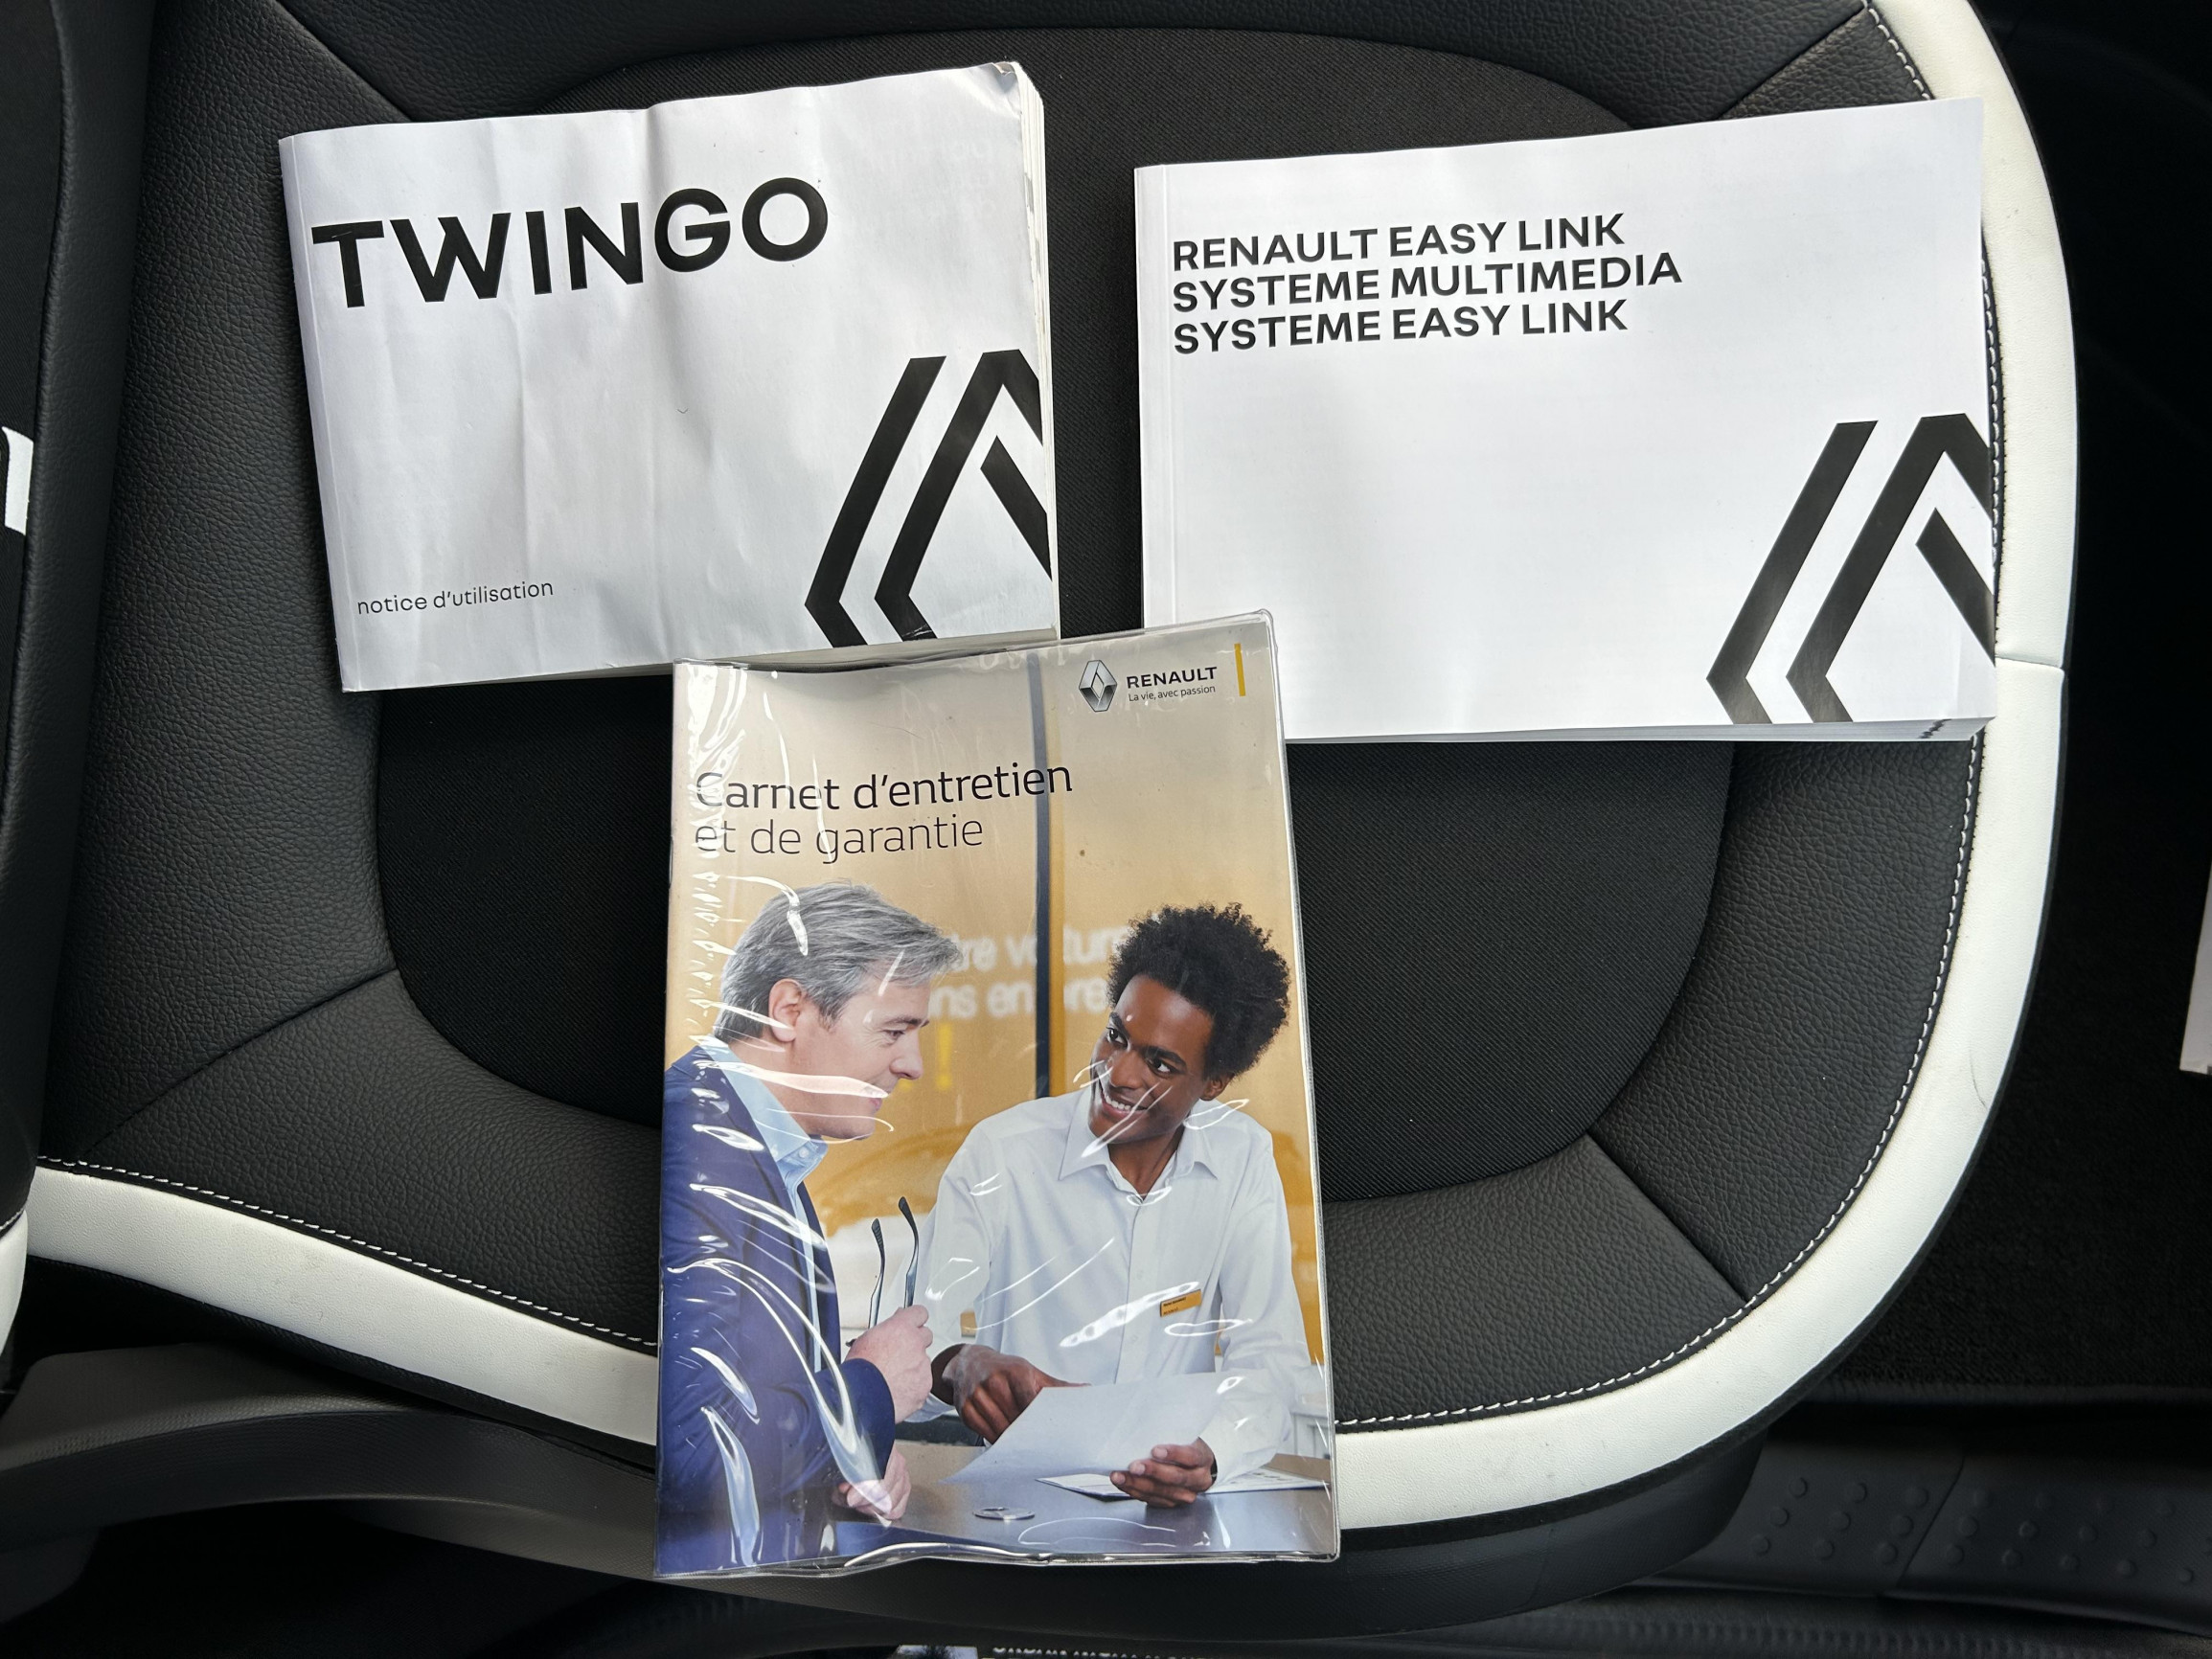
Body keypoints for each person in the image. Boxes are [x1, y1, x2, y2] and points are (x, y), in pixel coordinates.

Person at [915, 902, 1311, 1509]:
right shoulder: (1002, 1153)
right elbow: (916, 1336)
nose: (1118, 1073)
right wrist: (960, 1364)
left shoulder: (1242, 1159)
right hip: (1022, 1507)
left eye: (1160, 1063)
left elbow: (1270, 1357)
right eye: (1117, 1036)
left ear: (1213, 1084)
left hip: (1175, 1513)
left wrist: (1212, 1453)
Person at [656, 882, 961, 1573]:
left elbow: (747, 1402)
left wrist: (853, 1454)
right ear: (790, 1010)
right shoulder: (699, 1146)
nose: (913, 1065)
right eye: (893, 1031)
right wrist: (871, 1389)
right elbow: (702, 1455)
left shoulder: (748, 1144)